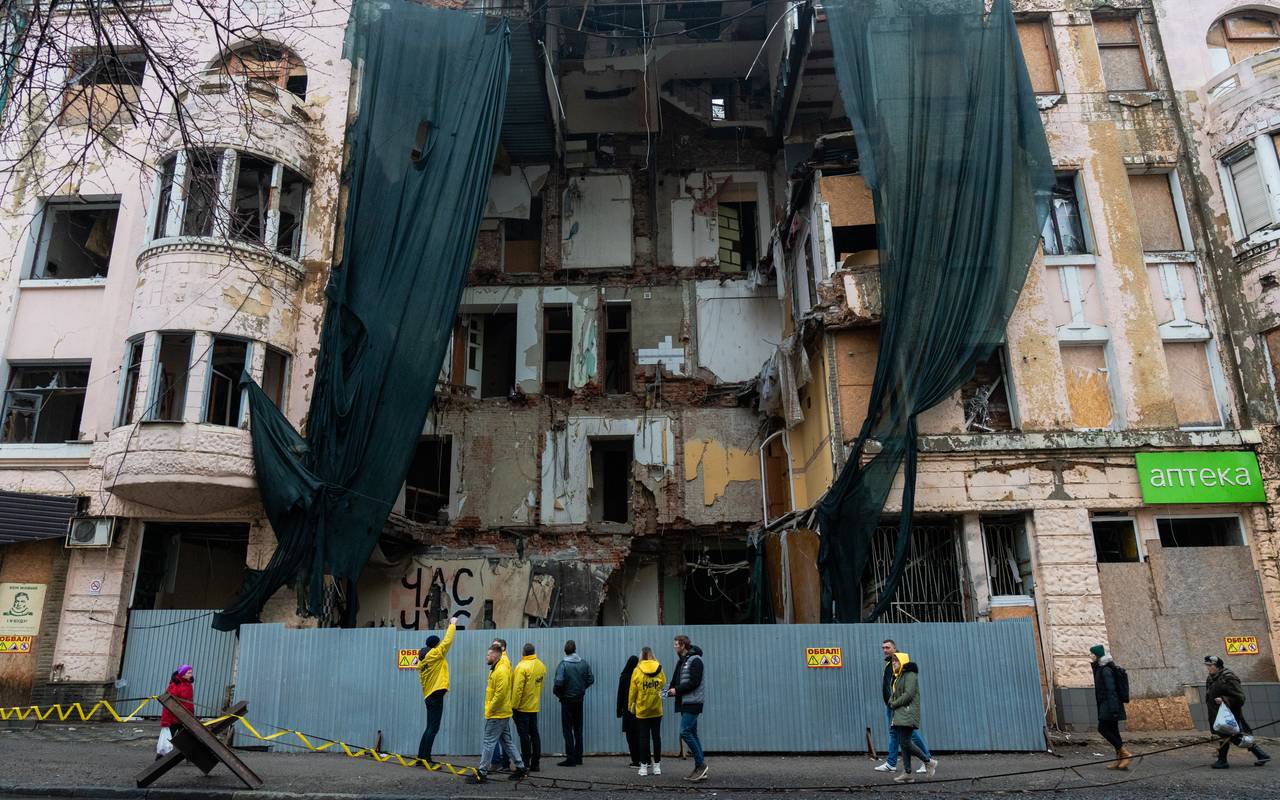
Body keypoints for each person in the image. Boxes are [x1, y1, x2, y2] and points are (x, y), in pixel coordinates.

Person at [874, 640, 934, 775]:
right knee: (895, 733)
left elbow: (905, 690)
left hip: (897, 705)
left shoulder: (900, 664)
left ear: (895, 648)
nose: (885, 650)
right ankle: (891, 763)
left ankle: (927, 760)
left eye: (888, 647)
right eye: (883, 648)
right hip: (892, 705)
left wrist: (895, 703)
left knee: (909, 734)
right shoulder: (889, 663)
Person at [1205, 655, 1271, 769]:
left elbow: (1240, 697)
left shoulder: (1228, 678)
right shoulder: (1211, 678)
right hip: (1217, 714)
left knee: (1234, 736)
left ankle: (1223, 761)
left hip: (1230, 714)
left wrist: (1224, 699)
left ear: (1218, 666)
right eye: (1207, 666)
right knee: (1225, 736)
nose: (1208, 668)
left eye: (1210, 666)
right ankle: (1260, 755)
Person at [474, 644, 526, 783]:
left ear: (495, 655)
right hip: (501, 713)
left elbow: (500, 694)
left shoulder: (501, 670)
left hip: (497, 714)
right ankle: (521, 768)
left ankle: (482, 773)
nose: (486, 657)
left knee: (488, 742)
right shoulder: (496, 668)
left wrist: (490, 709)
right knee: (507, 742)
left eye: (488, 654)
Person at [886, 654, 936, 783]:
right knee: (904, 743)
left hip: (907, 712)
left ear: (903, 661)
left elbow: (908, 694)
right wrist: (891, 700)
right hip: (901, 713)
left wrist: (894, 704)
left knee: (906, 743)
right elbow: (895, 693)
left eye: (896, 661)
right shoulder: (899, 676)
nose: (894, 663)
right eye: (893, 661)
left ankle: (928, 761)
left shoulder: (910, 675)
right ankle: (907, 773)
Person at [415, 617, 457, 765]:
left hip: (429, 696)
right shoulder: (434, 655)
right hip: (436, 694)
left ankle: (421, 758)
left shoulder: (423, 660)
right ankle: (426, 759)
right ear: (435, 645)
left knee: (429, 727)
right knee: (433, 728)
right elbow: (447, 641)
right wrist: (452, 625)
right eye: (438, 644)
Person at [667, 634, 709, 782]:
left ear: (683, 645)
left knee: (684, 732)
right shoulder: (682, 660)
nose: (674, 647)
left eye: (676, 644)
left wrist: (677, 690)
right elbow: (677, 680)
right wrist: (669, 690)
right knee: (692, 732)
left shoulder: (695, 660)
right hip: (685, 702)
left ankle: (701, 765)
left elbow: (694, 682)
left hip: (693, 702)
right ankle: (700, 767)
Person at [1089, 644, 1131, 770]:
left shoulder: (1106, 670)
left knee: (1102, 728)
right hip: (1107, 704)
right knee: (1114, 731)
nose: (1090, 656)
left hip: (1110, 705)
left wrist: (1113, 709)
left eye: (1092, 654)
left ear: (1097, 655)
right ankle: (1120, 760)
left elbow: (1111, 690)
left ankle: (1124, 753)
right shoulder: (1101, 667)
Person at [553, 639, 594, 767]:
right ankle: (578, 757)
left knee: (567, 729)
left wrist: (559, 694)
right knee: (578, 729)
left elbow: (558, 682)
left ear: (565, 651)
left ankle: (570, 758)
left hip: (567, 700)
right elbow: (591, 679)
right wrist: (582, 688)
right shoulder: (584, 663)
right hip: (579, 699)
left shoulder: (563, 665)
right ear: (575, 649)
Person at [629, 646, 666, 777]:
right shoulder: (659, 668)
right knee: (656, 737)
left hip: (642, 709)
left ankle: (644, 767)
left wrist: (630, 706)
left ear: (641, 655)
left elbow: (633, 691)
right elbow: (663, 684)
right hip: (656, 708)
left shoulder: (637, 670)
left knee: (643, 738)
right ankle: (657, 767)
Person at [511, 643, 546, 772]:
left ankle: (525, 763)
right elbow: (540, 686)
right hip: (534, 706)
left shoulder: (521, 667)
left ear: (524, 652)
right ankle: (535, 763)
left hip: (522, 708)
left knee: (524, 736)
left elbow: (517, 690)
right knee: (535, 734)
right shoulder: (541, 665)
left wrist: (513, 706)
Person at [156, 664, 195, 760]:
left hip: (185, 717)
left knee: (186, 737)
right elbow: (168, 704)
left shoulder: (189, 685)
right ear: (182, 674)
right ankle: (160, 757)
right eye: (188, 673)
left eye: (191, 672)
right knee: (169, 738)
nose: (191, 675)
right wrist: (166, 721)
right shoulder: (174, 685)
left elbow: (189, 703)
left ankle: (188, 756)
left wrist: (191, 716)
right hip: (174, 717)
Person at [489, 638, 512, 771]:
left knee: (492, 738)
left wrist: (491, 707)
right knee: (504, 738)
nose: (493, 648)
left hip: (499, 708)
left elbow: (501, 691)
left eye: (495, 646)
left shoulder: (503, 663)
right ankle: (507, 764)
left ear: (502, 648)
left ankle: (496, 762)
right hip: (501, 707)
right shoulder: (499, 662)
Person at [617, 655, 642, 768]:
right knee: (641, 735)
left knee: (630, 736)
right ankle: (644, 760)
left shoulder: (624, 677)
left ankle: (635, 761)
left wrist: (618, 710)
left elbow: (620, 695)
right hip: (640, 709)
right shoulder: (640, 675)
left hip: (628, 710)